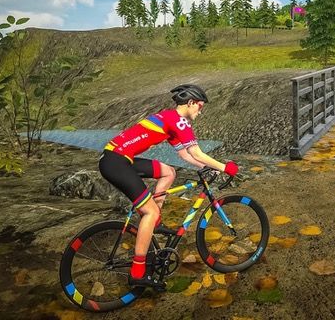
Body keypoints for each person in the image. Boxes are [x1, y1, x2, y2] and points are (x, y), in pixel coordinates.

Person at [98, 84, 239, 290]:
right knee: (150, 212)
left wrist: (209, 168)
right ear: (190, 103)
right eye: (200, 106)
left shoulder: (169, 118)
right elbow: (198, 153)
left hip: (117, 158)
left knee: (169, 172)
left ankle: (154, 221)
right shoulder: (179, 121)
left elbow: (186, 155)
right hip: (116, 163)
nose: (201, 110)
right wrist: (226, 167)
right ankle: (137, 271)